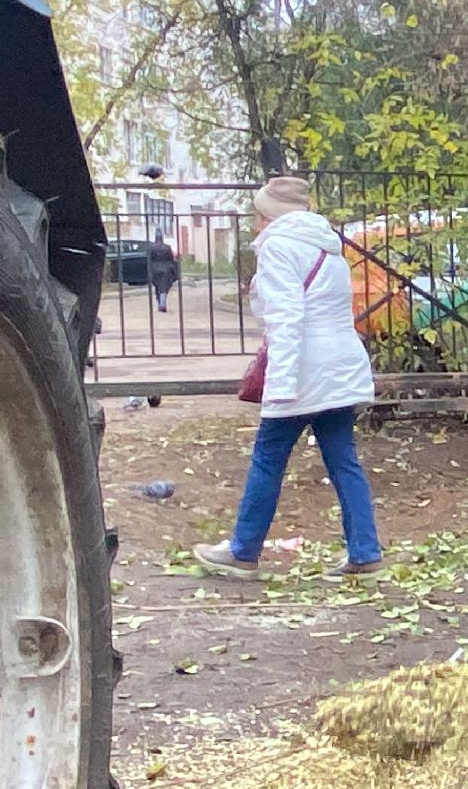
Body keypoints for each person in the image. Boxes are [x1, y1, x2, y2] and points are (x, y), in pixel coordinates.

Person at [194, 177, 383, 579]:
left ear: (268, 215)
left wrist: (281, 386)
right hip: (338, 368)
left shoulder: (279, 247)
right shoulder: (328, 246)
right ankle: (365, 553)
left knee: (268, 458)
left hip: (303, 371)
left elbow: (286, 320)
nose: (255, 224)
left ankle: (243, 552)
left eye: (257, 215)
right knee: (343, 459)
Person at [147, 231, 179, 313]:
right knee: (164, 288)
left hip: (154, 270)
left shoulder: (151, 247)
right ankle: (162, 305)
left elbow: (149, 259)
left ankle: (160, 304)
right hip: (165, 270)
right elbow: (171, 259)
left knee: (158, 287)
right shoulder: (167, 247)